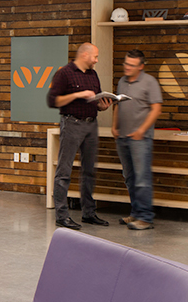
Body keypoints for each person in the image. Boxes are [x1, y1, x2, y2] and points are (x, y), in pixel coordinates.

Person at [47, 42, 112, 230]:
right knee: (64, 171)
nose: (97, 60)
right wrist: (77, 95)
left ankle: (88, 213)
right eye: (95, 57)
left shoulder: (93, 74)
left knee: (89, 170)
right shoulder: (64, 73)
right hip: (72, 124)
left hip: (91, 124)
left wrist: (102, 105)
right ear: (84, 55)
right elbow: (53, 100)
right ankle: (61, 215)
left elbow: (95, 100)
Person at [113, 50, 163, 230]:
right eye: (126, 63)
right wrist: (114, 126)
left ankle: (145, 218)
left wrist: (141, 130)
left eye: (131, 65)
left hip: (140, 139)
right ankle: (135, 213)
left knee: (142, 178)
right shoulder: (122, 81)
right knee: (130, 177)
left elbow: (156, 109)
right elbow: (118, 104)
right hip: (123, 138)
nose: (127, 67)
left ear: (141, 66)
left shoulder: (149, 82)